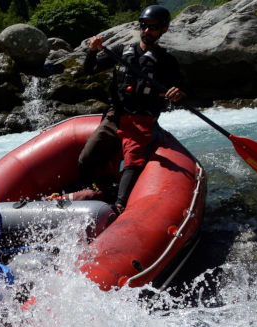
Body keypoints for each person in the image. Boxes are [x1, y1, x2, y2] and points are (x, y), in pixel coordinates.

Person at [75, 5, 186, 213]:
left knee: (133, 161)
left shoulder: (167, 61)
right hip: (115, 116)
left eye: (153, 27)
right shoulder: (121, 51)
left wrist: (177, 93)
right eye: (143, 26)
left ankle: (119, 206)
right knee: (85, 159)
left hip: (141, 119)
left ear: (164, 29)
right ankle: (95, 191)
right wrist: (92, 51)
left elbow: (181, 90)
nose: (146, 31)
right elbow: (90, 69)